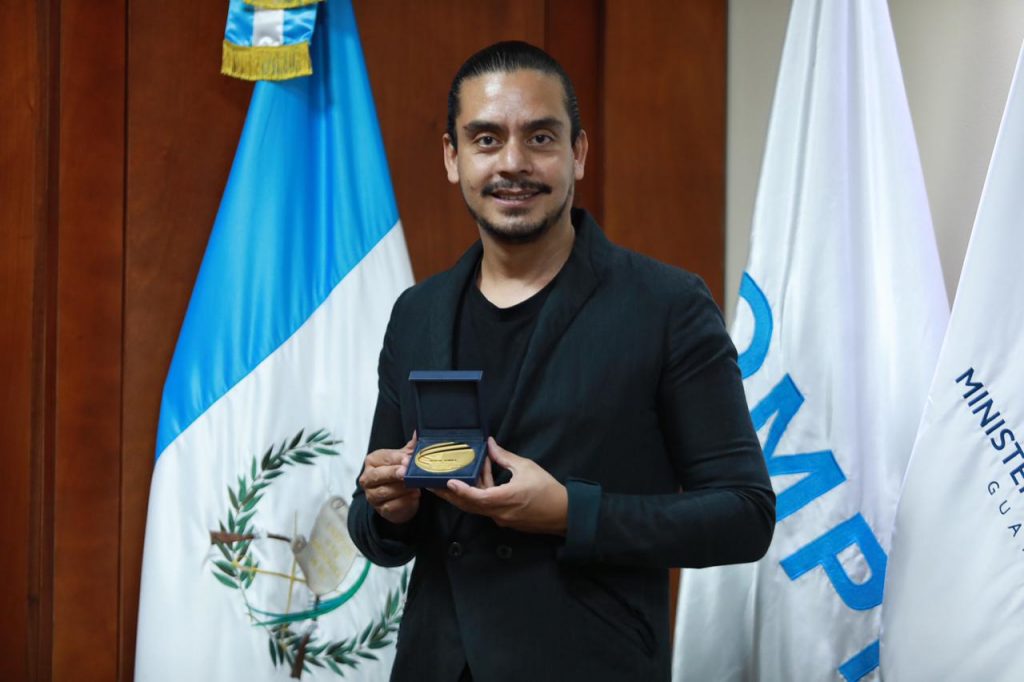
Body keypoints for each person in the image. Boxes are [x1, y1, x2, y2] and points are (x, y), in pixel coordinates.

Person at [348, 41, 775, 682]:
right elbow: (374, 521)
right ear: (452, 157)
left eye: (540, 138)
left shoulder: (667, 305)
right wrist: (390, 507)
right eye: (486, 140)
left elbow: (745, 516)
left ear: (578, 152)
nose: (513, 163)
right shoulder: (417, 312)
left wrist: (573, 514)